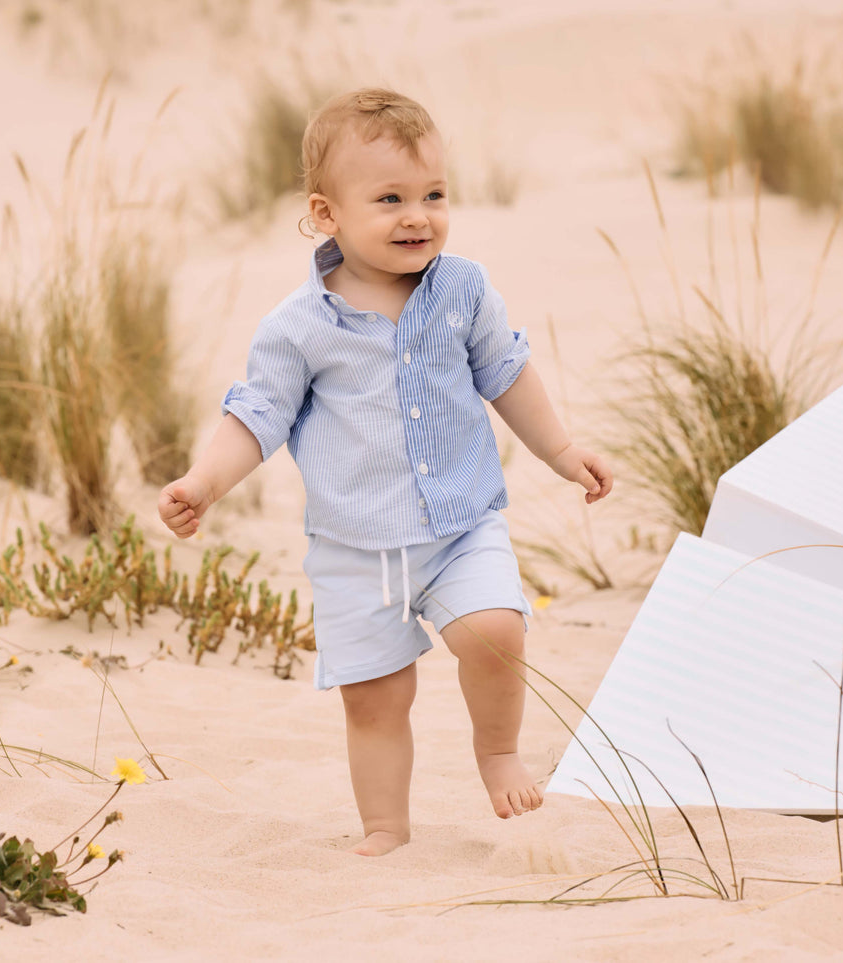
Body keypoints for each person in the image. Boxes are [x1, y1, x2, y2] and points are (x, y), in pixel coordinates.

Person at [158, 88, 612, 857]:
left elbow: (506, 374)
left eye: (434, 195)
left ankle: (496, 750)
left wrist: (563, 454)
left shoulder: (462, 289)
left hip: (459, 521)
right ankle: (385, 825)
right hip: (353, 546)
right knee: (375, 696)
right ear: (326, 213)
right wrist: (203, 482)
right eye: (390, 199)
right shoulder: (298, 327)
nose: (418, 216)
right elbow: (257, 415)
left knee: (495, 630)